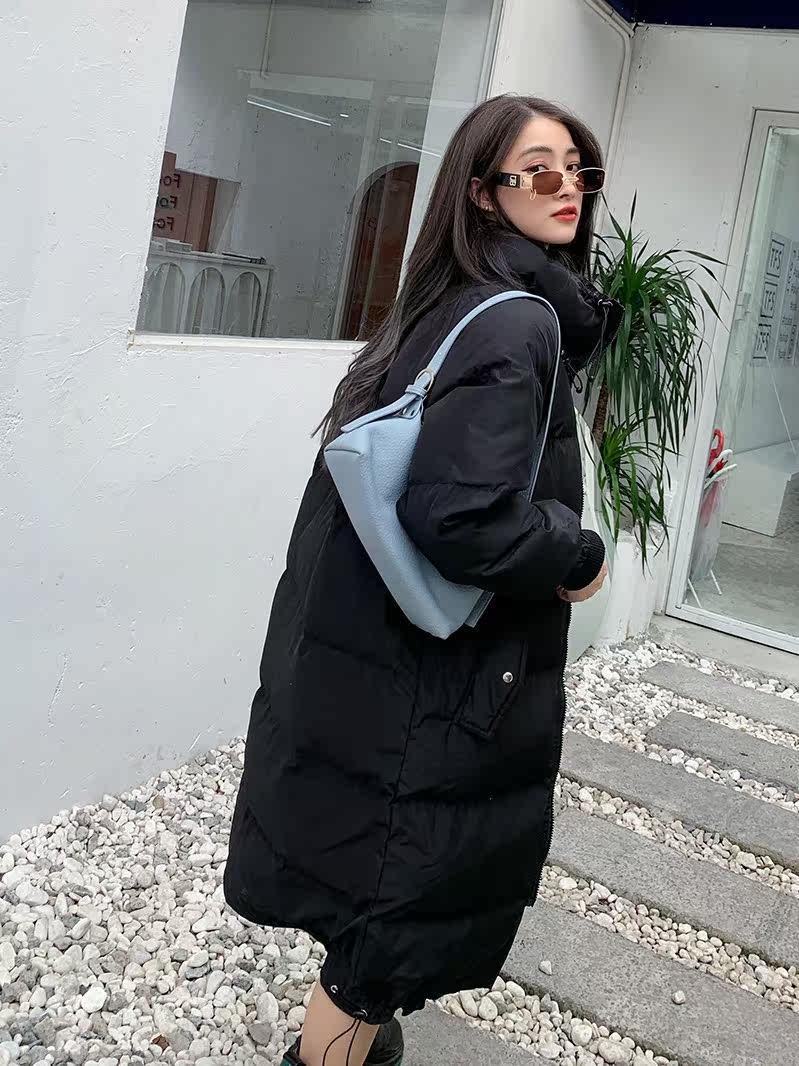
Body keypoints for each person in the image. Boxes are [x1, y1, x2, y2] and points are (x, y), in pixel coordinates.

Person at [223, 94, 623, 1066]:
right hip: (435, 682)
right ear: (482, 194)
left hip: (376, 658)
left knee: (369, 885)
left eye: (578, 169)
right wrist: (573, 556)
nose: (566, 186)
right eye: (538, 169)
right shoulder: (516, 321)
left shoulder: (450, 300)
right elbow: (458, 514)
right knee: (386, 924)